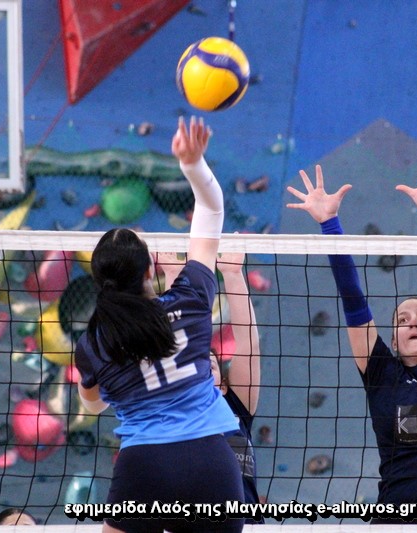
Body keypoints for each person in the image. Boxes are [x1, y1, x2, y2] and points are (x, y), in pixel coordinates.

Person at [286, 156, 417, 524]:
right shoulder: (382, 374)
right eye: (403, 320)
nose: (414, 323)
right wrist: (329, 223)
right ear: (393, 340)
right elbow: (353, 300)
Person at [75, 116, 244, 533]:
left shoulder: (93, 342)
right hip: (210, 463)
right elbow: (212, 209)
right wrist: (192, 164)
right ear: (150, 270)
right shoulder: (191, 298)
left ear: (99, 281)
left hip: (143, 467)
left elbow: (92, 405)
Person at [158, 250, 262, 521]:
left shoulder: (236, 406)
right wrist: (173, 275)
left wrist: (232, 273)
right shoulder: (175, 406)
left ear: (223, 385)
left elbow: (248, 345)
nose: (201, 368)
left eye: (210, 366)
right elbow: (176, 349)